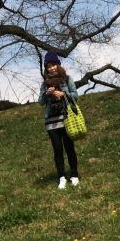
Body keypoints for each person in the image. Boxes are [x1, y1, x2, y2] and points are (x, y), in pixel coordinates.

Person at [38, 51, 80, 189]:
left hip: (66, 118)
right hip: (51, 121)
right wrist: (47, 93)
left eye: (53, 65)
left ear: (58, 65)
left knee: (69, 148)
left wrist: (63, 93)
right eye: (48, 66)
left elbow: (75, 95)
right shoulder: (44, 84)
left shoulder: (67, 79)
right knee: (57, 150)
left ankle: (74, 175)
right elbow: (40, 102)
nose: (51, 68)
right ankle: (61, 177)